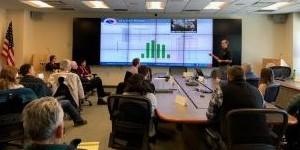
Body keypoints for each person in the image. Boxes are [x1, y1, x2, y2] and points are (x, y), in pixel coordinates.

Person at [206, 66, 269, 144]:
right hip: (260, 141)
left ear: (228, 77)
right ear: (244, 77)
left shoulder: (221, 90)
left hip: (233, 140)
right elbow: (264, 112)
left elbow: (210, 115)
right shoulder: (257, 91)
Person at [19, 64, 87, 126]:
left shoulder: (20, 82)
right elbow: (48, 94)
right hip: (42, 105)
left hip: (29, 106)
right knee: (67, 102)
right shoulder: (38, 81)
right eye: (33, 69)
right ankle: (78, 120)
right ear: (29, 71)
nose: (34, 71)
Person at [124, 74, 157, 139]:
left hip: (126, 128)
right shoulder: (150, 96)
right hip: (145, 130)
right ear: (145, 83)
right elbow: (152, 113)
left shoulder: (124, 95)